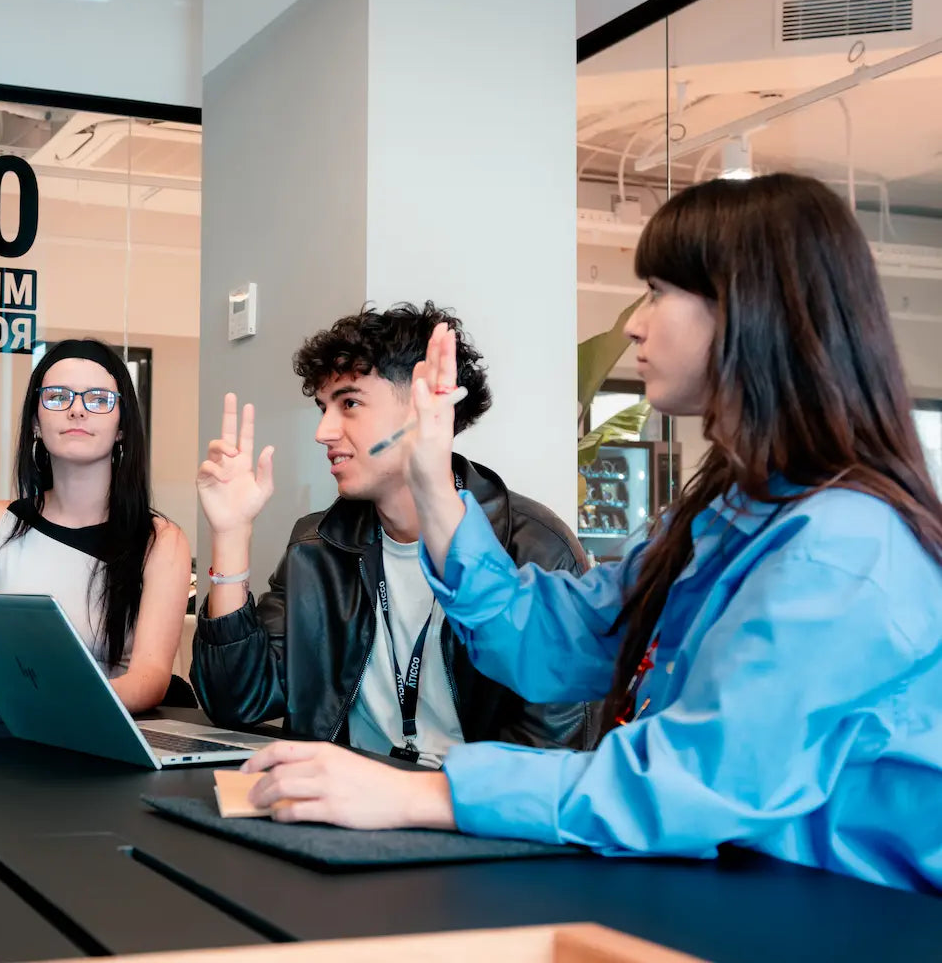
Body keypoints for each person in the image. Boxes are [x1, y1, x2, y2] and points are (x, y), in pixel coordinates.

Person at [242, 174, 942, 894]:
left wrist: (420, 795)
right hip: (731, 891)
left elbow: (693, 781)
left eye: (660, 292)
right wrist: (430, 476)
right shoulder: (718, 519)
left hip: (846, 918)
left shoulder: (845, 547)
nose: (635, 324)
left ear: (750, 311)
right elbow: (548, 637)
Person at [192, 303, 598, 765]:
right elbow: (237, 702)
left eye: (349, 404)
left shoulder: (535, 547)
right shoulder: (318, 544)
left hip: (471, 818)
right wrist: (230, 534)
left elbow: (553, 759)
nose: (323, 431)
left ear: (426, 405)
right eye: (324, 408)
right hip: (347, 807)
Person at [0, 339, 191, 713]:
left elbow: (150, 680)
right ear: (35, 423)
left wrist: (56, 703)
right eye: (58, 397)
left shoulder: (160, 541)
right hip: (12, 736)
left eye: (98, 399)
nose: (77, 411)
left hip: (104, 737)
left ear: (122, 427)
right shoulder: (1, 522)